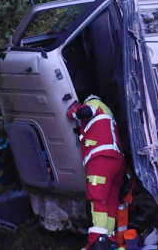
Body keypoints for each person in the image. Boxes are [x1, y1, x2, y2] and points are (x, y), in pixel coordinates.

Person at [66, 95, 125, 250]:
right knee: (111, 200)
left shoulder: (95, 104)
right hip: (117, 160)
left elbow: (85, 111)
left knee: (97, 197)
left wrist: (74, 111)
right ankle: (109, 238)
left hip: (101, 159)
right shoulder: (108, 115)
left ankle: (98, 241)